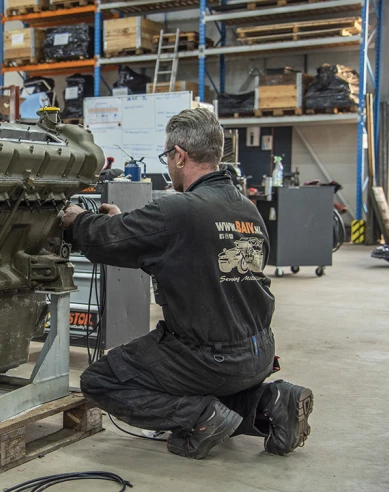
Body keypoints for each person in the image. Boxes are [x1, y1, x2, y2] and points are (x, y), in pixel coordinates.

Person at [60, 108, 314, 459]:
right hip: (259, 353)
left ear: (179, 155)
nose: (168, 164)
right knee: (205, 381)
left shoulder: (178, 210)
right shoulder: (247, 210)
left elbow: (107, 239)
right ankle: (270, 402)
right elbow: (191, 256)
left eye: (167, 157)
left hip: (209, 359)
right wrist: (126, 224)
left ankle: (201, 418)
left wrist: (77, 221)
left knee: (101, 380)